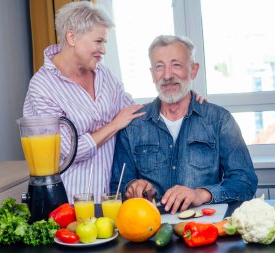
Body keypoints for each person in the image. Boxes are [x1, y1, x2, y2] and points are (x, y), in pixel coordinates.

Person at [110, 35, 258, 214]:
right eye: (159, 67)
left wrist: (201, 194)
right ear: (152, 75)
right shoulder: (133, 125)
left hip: (204, 228)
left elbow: (245, 182)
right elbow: (117, 187)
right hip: (147, 229)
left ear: (193, 70)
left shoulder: (219, 120)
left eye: (176, 65)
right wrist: (132, 187)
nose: (167, 75)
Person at [23, 2, 144, 203]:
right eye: (99, 41)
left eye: (105, 42)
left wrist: (185, 100)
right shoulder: (42, 87)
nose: (103, 50)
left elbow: (132, 112)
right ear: (72, 37)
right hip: (71, 204)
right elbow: (71, 152)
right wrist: (114, 125)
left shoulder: (104, 74)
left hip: (112, 200)